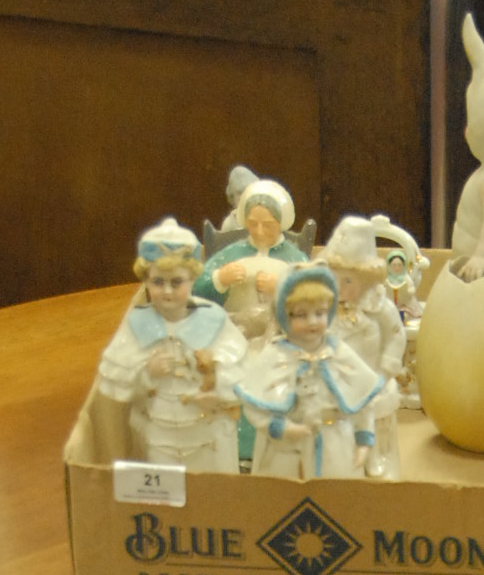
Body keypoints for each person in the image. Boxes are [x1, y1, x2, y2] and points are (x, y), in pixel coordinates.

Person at [93, 219, 246, 471]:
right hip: (159, 436)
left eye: (176, 282)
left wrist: (213, 375)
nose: (167, 291)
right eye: (157, 282)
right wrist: (147, 373)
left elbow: (238, 368)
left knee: (207, 483)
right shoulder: (137, 324)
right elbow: (117, 382)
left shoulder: (214, 319)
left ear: (192, 279)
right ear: (146, 280)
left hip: (206, 436)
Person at [235, 264, 397, 481]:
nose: (312, 322)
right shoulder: (274, 356)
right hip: (286, 454)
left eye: (319, 313)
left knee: (335, 496)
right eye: (301, 315)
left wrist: (363, 439)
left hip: (337, 448)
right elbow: (253, 404)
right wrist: (279, 427)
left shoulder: (339, 353)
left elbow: (363, 398)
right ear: (284, 316)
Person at [322, 216, 406, 478]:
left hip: (371, 378)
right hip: (334, 378)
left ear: (366, 279)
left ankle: (375, 457)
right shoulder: (324, 305)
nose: (340, 288)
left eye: (348, 281)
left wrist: (386, 369)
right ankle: (337, 462)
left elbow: (396, 334)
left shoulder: (378, 306)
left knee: (372, 410)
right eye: (335, 279)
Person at [193, 179, 307, 343]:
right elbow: (196, 289)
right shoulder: (232, 253)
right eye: (253, 224)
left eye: (268, 225)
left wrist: (282, 286)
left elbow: (314, 293)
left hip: (281, 338)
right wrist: (220, 279)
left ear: (280, 223)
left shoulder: (294, 258)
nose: (259, 232)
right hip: (233, 334)